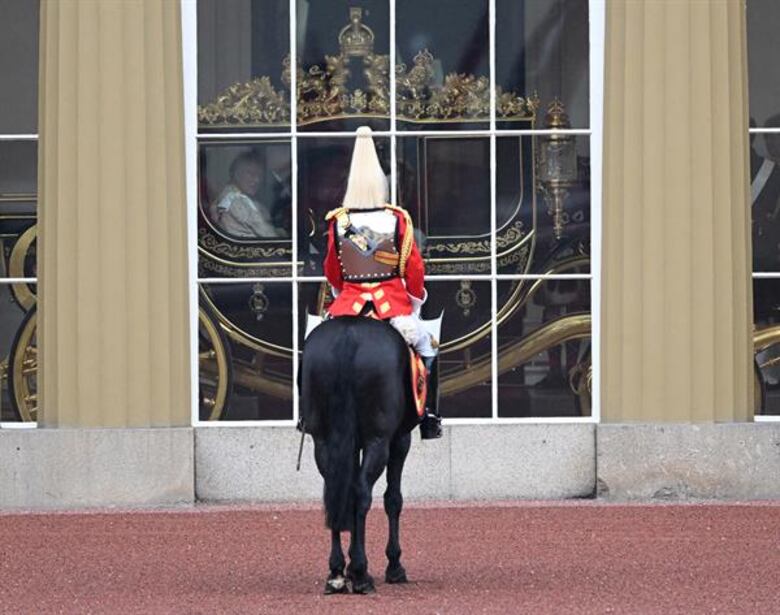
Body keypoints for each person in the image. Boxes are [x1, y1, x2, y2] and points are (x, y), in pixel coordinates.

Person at [322, 126, 442, 439]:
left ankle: (307, 416)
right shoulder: (398, 219)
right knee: (428, 350)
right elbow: (414, 269)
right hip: (392, 309)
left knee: (312, 349)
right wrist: (413, 302)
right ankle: (428, 415)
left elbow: (332, 270)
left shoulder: (339, 221)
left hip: (347, 306)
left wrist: (343, 294)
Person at [212, 151, 287, 239]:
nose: (257, 180)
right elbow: (270, 236)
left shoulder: (231, 195)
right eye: (251, 174)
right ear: (236, 174)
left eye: (259, 175)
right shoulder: (236, 200)